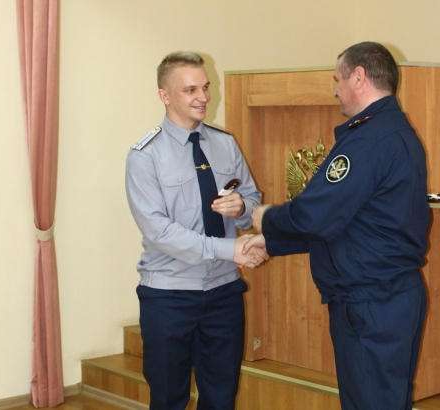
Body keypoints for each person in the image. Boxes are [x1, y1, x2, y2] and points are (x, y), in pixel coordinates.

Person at [245, 42, 430, 410]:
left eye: (337, 79)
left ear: (358, 77)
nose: (335, 90)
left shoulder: (368, 140)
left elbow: (318, 215)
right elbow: (351, 225)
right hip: (388, 296)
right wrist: (273, 243)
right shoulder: (394, 132)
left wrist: (267, 219)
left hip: (370, 303)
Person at [125, 51, 267, 410]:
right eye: (190, 90)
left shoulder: (225, 143)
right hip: (169, 295)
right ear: (165, 95)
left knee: (221, 398)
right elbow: (159, 231)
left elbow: (251, 199)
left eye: (205, 87)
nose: (203, 97)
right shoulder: (145, 155)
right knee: (169, 398)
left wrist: (242, 207)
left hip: (223, 292)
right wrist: (230, 250)